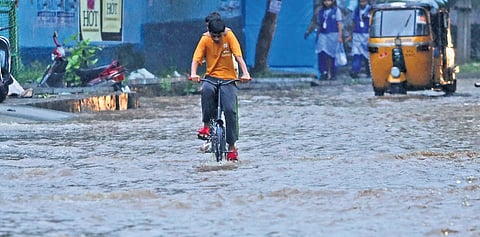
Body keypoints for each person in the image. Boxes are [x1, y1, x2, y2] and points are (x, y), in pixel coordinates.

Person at [190, 18, 251, 161]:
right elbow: (196, 59)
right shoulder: (205, 39)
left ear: (223, 32)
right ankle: (206, 125)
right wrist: (193, 73)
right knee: (206, 90)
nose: (216, 38)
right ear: (209, 32)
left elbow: (238, 56)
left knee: (230, 110)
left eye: (219, 35)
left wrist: (245, 73)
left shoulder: (229, 35)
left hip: (229, 79)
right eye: (213, 35)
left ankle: (231, 147)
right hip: (211, 77)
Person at [304, 0, 343, 80]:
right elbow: (314, 22)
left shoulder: (336, 10)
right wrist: (308, 31)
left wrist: (340, 36)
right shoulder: (320, 11)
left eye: (329, 1)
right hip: (322, 34)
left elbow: (339, 24)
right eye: (325, 0)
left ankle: (333, 73)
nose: (327, 2)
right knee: (321, 53)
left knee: (332, 55)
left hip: (333, 34)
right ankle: (323, 72)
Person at [346, 0, 371, 78]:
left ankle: (369, 72)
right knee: (356, 53)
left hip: (367, 34)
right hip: (357, 34)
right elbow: (353, 23)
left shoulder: (371, 10)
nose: (362, 3)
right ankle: (355, 71)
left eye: (364, 1)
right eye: (360, 2)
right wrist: (350, 35)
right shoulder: (356, 10)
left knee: (368, 54)